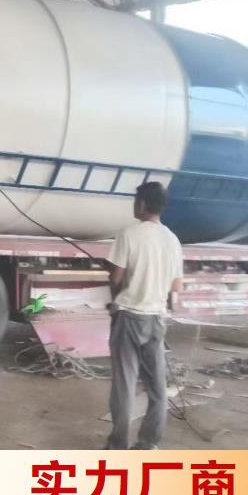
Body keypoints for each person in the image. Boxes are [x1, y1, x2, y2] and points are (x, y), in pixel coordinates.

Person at [104, 181, 183, 450]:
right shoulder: (172, 239)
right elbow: (176, 286)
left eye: (136, 200)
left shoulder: (129, 234)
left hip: (129, 316)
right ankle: (148, 443)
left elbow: (116, 278)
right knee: (157, 386)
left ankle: (118, 444)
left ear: (142, 204)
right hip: (156, 319)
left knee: (124, 384)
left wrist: (114, 284)